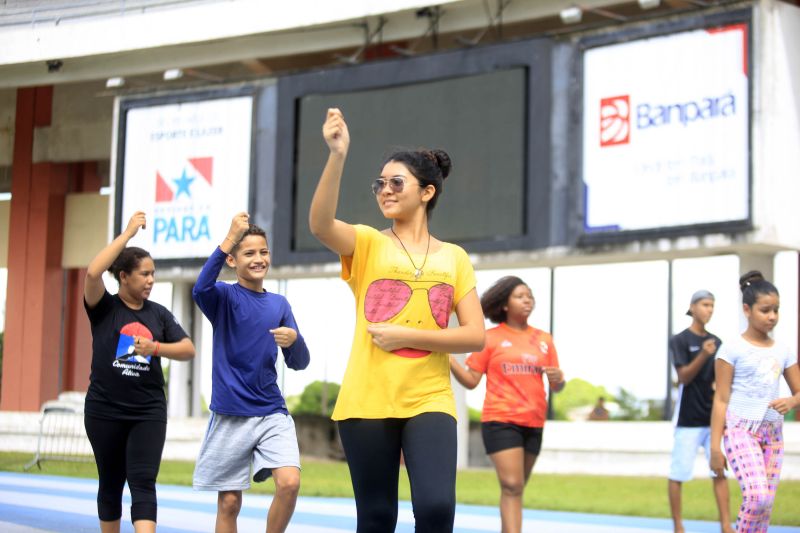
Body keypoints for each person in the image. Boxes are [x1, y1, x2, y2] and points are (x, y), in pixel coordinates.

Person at [308, 108, 485, 532]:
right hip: (366, 400)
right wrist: (337, 154)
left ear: (426, 192)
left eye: (396, 182)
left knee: (437, 508)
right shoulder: (367, 242)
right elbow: (319, 225)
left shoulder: (454, 257)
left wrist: (408, 335)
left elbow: (475, 335)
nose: (384, 190)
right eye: (380, 184)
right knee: (377, 517)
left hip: (430, 397)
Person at [192, 212, 310, 533]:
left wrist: (295, 341)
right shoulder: (224, 297)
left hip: (272, 411)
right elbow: (200, 288)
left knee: (289, 483)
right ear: (232, 259)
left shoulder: (279, 304)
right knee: (229, 503)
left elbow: (299, 362)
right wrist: (230, 235)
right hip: (231, 415)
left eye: (264, 252)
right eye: (249, 253)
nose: (259, 259)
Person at [83, 211, 196, 533]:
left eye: (153, 274)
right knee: (111, 481)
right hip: (104, 410)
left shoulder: (158, 315)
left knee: (144, 481)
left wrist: (156, 348)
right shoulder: (104, 308)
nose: (151, 280)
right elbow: (93, 273)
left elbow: (188, 349)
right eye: (144, 274)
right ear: (123, 277)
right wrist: (127, 234)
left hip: (147, 411)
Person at [449, 276, 564, 533]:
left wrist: (559, 380)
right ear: (504, 304)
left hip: (534, 423)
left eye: (530, 296)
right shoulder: (489, 338)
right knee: (512, 485)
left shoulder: (544, 339)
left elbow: (556, 385)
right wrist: (449, 361)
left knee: (517, 488)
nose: (527, 301)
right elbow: (471, 380)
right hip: (501, 420)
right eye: (520, 296)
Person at [710, 271, 800, 533]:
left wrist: (792, 402)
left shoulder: (783, 350)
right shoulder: (731, 349)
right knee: (757, 497)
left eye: (776, 310)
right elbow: (721, 399)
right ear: (747, 310)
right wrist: (716, 448)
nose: (772, 316)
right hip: (740, 430)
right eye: (765, 310)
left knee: (766, 506)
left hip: (772, 434)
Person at [667, 290, 732, 533]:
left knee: (719, 470)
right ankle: (678, 526)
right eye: (705, 305)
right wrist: (704, 354)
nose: (709, 310)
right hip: (687, 419)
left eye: (712, 305)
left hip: (713, 418)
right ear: (693, 307)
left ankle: (726, 525)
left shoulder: (718, 342)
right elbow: (683, 377)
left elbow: (723, 381)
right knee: (678, 474)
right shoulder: (680, 340)